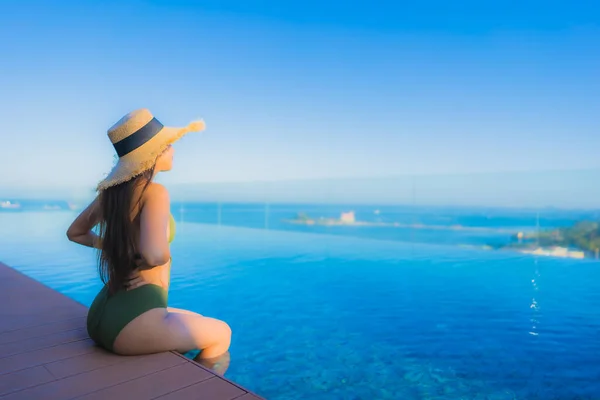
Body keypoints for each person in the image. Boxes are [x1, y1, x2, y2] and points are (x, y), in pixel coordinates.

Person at [66, 108, 231, 374]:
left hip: (100, 318)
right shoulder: (155, 192)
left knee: (198, 322)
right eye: (168, 146)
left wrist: (121, 252)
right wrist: (152, 257)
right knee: (222, 333)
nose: (174, 150)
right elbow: (155, 255)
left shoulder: (112, 195)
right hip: (130, 327)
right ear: (153, 154)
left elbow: (75, 232)